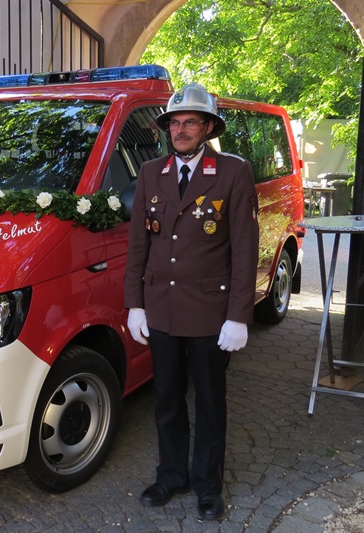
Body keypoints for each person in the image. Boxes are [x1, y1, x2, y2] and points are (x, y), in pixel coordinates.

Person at [123, 83, 259, 521]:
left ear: (207, 128)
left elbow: (243, 248)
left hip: (208, 313)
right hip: (161, 308)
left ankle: (207, 483)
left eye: (190, 122)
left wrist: (238, 315)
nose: (181, 130)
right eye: (175, 122)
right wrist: (135, 304)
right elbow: (138, 246)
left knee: (210, 401)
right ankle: (172, 474)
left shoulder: (233, 172)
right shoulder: (150, 173)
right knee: (165, 398)